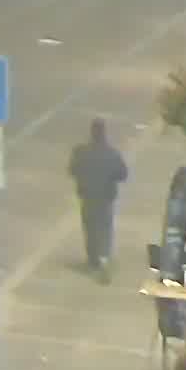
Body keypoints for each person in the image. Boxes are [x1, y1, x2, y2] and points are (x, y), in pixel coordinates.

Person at [69, 118, 131, 280]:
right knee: (105, 227)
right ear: (104, 134)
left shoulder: (80, 152)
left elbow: (72, 170)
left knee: (90, 228)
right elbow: (123, 174)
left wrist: (83, 177)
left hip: (87, 196)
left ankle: (93, 260)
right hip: (106, 197)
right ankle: (103, 257)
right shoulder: (112, 154)